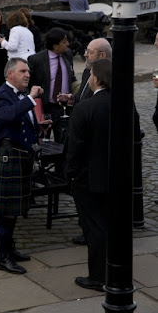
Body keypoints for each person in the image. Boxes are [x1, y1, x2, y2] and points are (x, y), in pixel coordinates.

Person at [0, 57, 43, 275]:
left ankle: (9, 249)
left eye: (28, 71)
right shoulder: (2, 95)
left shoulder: (18, 96)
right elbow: (7, 116)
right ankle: (3, 257)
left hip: (20, 156)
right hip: (7, 157)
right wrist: (30, 98)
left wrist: (38, 126)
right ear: (10, 74)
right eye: (22, 71)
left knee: (14, 211)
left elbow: (22, 121)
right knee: (7, 212)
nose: (27, 75)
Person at [66, 58, 112, 292]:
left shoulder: (85, 108)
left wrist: (71, 174)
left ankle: (97, 276)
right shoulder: (124, 103)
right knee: (108, 224)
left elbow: (75, 147)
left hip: (89, 179)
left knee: (94, 228)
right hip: (115, 176)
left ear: (96, 78)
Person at [28, 27, 78, 143]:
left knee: (63, 140)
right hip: (46, 107)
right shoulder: (36, 60)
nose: (67, 44)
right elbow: (29, 84)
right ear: (55, 46)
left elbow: (72, 76)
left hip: (63, 108)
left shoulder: (68, 55)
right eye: (64, 42)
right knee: (42, 141)